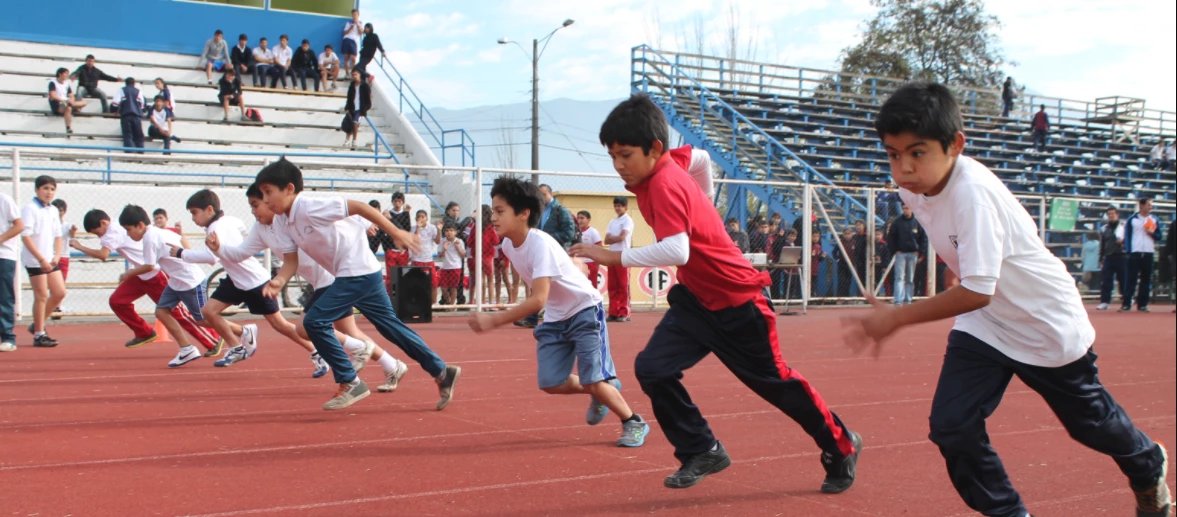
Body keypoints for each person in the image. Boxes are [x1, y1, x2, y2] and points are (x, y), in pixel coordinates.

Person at [843, 81, 1172, 517]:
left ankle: (1146, 463)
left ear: (956, 145)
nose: (903, 168)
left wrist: (898, 317)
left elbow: (979, 289)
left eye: (917, 152)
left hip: (1043, 323)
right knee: (951, 427)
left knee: (1091, 426)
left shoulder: (973, 193)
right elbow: (960, 255)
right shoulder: (912, 189)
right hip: (987, 326)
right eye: (892, 153)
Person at [571, 93, 861, 492]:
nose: (619, 166)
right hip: (696, 301)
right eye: (612, 156)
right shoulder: (674, 161)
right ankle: (701, 448)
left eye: (625, 155)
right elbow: (704, 158)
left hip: (740, 303)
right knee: (653, 368)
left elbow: (677, 249)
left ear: (654, 149)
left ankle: (841, 446)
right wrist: (704, 203)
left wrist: (610, 256)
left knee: (776, 385)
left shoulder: (665, 183)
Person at [255, 158, 460, 410]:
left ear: (289, 189)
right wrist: (278, 281)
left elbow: (360, 207)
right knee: (391, 328)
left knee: (313, 322)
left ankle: (350, 381)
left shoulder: (309, 206)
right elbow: (290, 261)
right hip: (359, 273)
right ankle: (441, 371)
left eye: (268, 193)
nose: (264, 201)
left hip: (356, 271)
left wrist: (397, 232)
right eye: (262, 194)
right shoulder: (282, 221)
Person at [469, 177, 651, 447]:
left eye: (500, 211)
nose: (493, 218)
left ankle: (633, 421)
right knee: (551, 381)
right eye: (492, 210)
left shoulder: (539, 242)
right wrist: (572, 264)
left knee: (593, 378)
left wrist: (493, 320)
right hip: (556, 317)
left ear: (523, 214)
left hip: (583, 310)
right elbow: (544, 275)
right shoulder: (508, 245)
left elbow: (538, 299)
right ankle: (600, 389)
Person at [215, 184, 405, 384]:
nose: (253, 212)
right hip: (321, 282)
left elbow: (340, 211)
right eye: (250, 207)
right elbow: (239, 253)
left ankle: (357, 356)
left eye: (256, 205)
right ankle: (392, 366)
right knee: (350, 331)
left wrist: (364, 223)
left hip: (332, 279)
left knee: (306, 327)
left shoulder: (292, 217)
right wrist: (218, 248)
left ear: (270, 201)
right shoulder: (261, 229)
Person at [72, 210, 209, 348]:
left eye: (97, 232)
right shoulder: (117, 226)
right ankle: (144, 332)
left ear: (103, 222)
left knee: (177, 313)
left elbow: (103, 255)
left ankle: (211, 339)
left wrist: (79, 246)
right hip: (140, 273)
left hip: (154, 274)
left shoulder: (113, 232)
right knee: (117, 301)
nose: (99, 236)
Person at [119, 205, 223, 366]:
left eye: (128, 229)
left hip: (190, 281)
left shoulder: (150, 238)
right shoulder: (159, 232)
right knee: (161, 312)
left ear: (140, 225)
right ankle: (186, 349)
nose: (127, 234)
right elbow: (179, 241)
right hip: (176, 281)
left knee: (203, 319)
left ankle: (241, 331)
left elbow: (150, 266)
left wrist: (128, 274)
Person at [21, 176, 66, 348]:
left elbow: (58, 235)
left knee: (60, 292)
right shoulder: (30, 209)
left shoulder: (53, 210)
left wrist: (56, 256)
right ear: (37, 190)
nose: (49, 192)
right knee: (41, 295)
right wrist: (40, 259)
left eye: (52, 189)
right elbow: (26, 236)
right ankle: (39, 334)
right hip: (35, 260)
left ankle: (37, 324)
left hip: (50, 258)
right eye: (45, 188)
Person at [1121, 198, 1163, 313]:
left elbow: (1159, 236)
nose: (1150, 207)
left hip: (1149, 252)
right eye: (1148, 205)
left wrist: (1152, 234)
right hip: (1135, 252)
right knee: (1131, 279)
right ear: (1141, 205)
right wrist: (1129, 250)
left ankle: (1142, 304)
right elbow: (1127, 236)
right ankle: (1126, 303)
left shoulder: (1154, 219)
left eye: (1151, 205)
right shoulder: (1132, 219)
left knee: (1146, 280)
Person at [886, 204, 926, 305]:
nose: (905, 210)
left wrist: (920, 251)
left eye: (907, 208)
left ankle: (908, 300)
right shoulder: (897, 222)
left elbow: (923, 238)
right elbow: (891, 237)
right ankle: (898, 300)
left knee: (910, 278)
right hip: (901, 254)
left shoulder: (917, 222)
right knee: (899, 277)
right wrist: (895, 250)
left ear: (912, 209)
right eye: (903, 208)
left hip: (913, 254)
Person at [603, 196, 633, 323]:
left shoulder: (628, 220)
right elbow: (606, 240)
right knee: (612, 285)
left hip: (623, 255)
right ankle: (613, 312)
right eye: (615, 205)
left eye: (620, 206)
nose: (617, 208)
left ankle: (624, 312)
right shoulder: (612, 222)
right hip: (612, 255)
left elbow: (622, 238)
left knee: (623, 285)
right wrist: (615, 237)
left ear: (625, 207)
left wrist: (613, 238)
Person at [0, 191, 23, 352]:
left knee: (4, 296)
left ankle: (8, 337)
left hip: (4, 255)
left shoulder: (5, 200)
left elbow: (19, 225)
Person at [466, 205, 500, 305]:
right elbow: (496, 241)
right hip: (488, 257)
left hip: (476, 256)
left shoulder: (475, 227)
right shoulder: (490, 228)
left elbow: (469, 242)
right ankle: (489, 301)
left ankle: (475, 301)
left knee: (478, 279)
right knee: (490, 279)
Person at [1097, 206, 1127, 311]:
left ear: (1117, 215)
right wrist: (1100, 257)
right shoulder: (1104, 228)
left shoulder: (1123, 227)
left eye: (1113, 213)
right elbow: (1102, 244)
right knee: (1106, 280)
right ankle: (1105, 301)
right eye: (1109, 214)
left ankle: (1126, 301)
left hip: (1122, 256)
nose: (1111, 215)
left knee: (1123, 280)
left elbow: (1129, 241)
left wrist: (1123, 244)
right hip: (1109, 257)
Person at [409, 209, 440, 307]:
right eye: (419, 217)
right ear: (415, 219)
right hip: (417, 259)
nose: (421, 219)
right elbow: (414, 241)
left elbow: (438, 241)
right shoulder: (413, 228)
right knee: (416, 283)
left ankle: (433, 304)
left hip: (428, 260)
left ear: (427, 218)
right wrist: (418, 229)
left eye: (423, 217)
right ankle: (417, 304)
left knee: (433, 283)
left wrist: (439, 230)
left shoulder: (432, 228)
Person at [111, 78, 145, 151]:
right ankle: (141, 153)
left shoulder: (121, 90)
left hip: (126, 115)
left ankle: (128, 154)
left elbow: (115, 103)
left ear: (125, 83)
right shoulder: (138, 91)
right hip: (137, 116)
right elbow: (142, 105)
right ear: (134, 83)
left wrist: (115, 111)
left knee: (127, 135)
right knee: (139, 135)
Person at [48, 67, 85, 134]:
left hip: (66, 102)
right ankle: (68, 127)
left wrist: (71, 100)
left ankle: (72, 106)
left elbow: (71, 95)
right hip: (57, 103)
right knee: (68, 108)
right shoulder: (53, 83)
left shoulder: (66, 84)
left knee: (83, 103)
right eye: (66, 73)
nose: (67, 75)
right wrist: (64, 101)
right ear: (60, 74)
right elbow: (52, 96)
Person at [438, 223, 465, 307]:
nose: (449, 232)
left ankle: (452, 305)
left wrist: (458, 248)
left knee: (454, 287)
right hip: (445, 267)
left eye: (451, 230)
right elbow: (439, 256)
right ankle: (449, 301)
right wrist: (444, 249)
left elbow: (463, 255)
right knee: (443, 287)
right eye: (447, 231)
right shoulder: (442, 241)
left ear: (455, 232)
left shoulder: (459, 241)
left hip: (456, 267)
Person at [343, 68, 370, 148]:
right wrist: (347, 107)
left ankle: (354, 140)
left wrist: (364, 109)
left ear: (359, 75)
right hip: (352, 107)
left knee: (355, 122)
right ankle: (347, 140)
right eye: (353, 75)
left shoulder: (365, 86)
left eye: (355, 74)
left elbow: (368, 100)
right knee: (349, 123)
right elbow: (349, 97)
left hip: (360, 109)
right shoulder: (351, 86)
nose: (354, 76)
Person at [577, 211, 603, 289]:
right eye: (578, 218)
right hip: (579, 264)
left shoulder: (593, 232)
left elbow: (599, 248)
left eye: (582, 218)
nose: (579, 220)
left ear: (588, 220)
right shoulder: (575, 232)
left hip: (590, 263)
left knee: (591, 287)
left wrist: (597, 264)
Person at [342, 9, 363, 75]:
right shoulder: (349, 23)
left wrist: (358, 26)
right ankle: (347, 73)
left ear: (358, 15)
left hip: (354, 41)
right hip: (347, 39)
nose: (354, 16)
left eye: (355, 14)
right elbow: (344, 33)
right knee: (346, 58)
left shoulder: (361, 23)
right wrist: (350, 29)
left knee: (353, 58)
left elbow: (361, 33)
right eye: (353, 14)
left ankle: (352, 73)